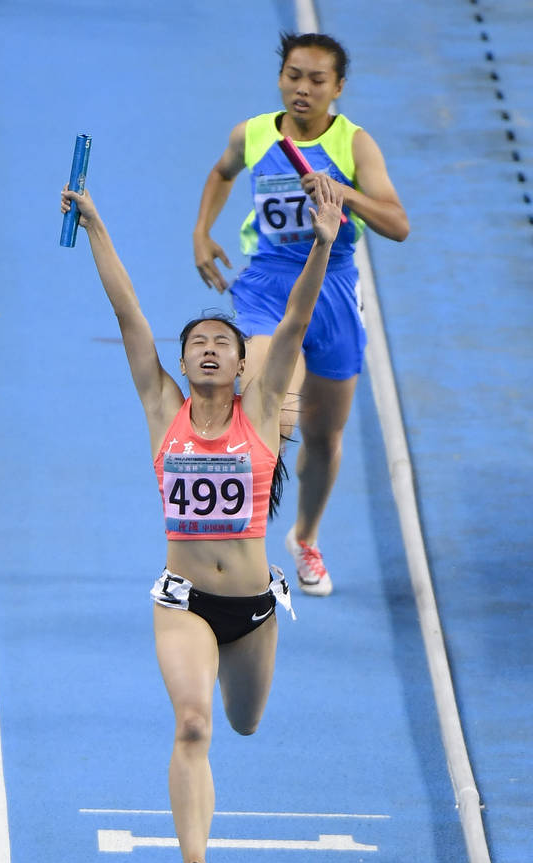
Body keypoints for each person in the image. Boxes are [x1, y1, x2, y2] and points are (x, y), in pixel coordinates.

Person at [61, 175, 343, 863]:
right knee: (194, 723)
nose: (211, 350)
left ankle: (202, 834)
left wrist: (321, 243)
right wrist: (96, 226)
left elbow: (297, 316)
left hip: (252, 606)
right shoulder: (164, 409)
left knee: (244, 724)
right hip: (182, 601)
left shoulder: (258, 412)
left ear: (245, 365)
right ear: (182, 364)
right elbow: (128, 312)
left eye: (223, 342)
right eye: (198, 345)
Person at [193, 31, 409, 596]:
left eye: (317, 80)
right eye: (294, 75)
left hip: (332, 290)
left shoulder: (355, 145)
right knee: (274, 409)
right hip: (267, 287)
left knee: (323, 435)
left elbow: (397, 224)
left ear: (337, 88)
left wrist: (343, 193)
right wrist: (201, 232)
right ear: (281, 78)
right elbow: (222, 172)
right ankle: (240, 540)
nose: (303, 89)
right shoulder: (255, 133)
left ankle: (305, 537)